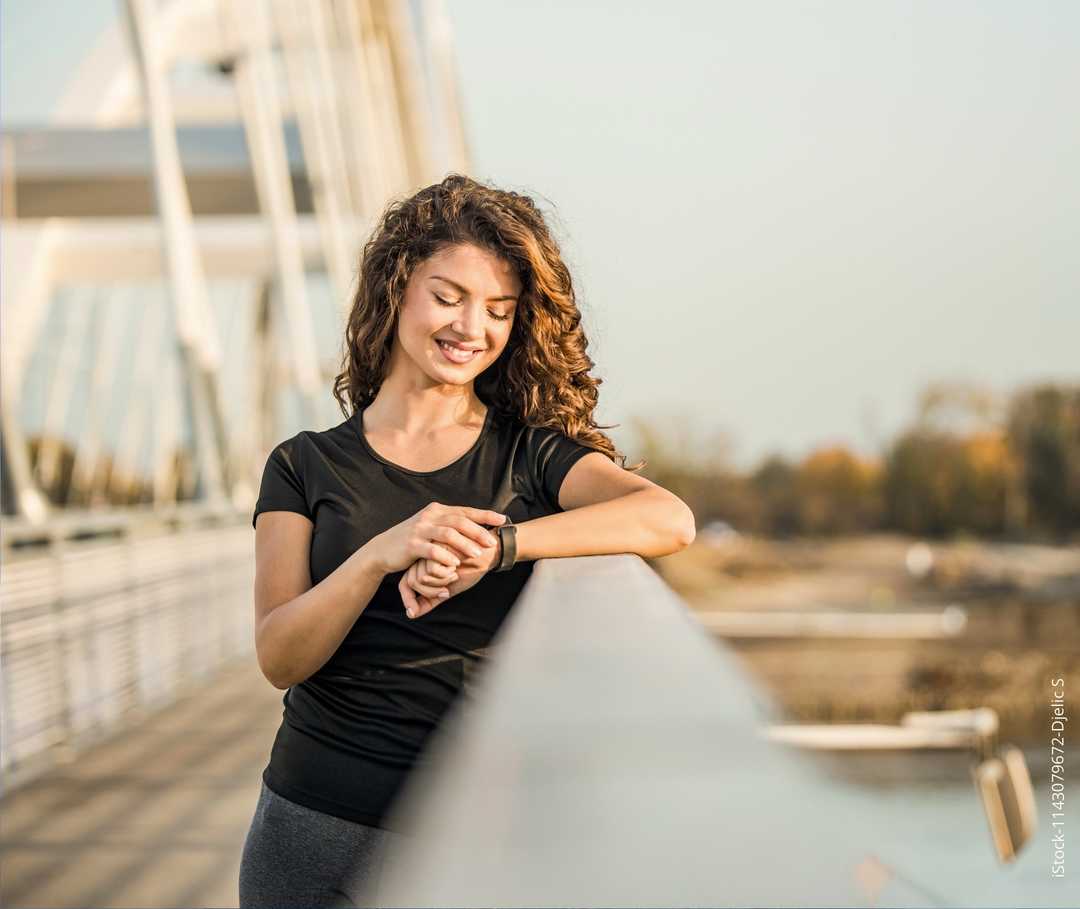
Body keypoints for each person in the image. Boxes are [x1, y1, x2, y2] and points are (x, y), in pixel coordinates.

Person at [238, 174, 696, 907]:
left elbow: (668, 519)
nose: (470, 327)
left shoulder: (530, 457)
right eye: (448, 297)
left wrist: (504, 545)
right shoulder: (303, 464)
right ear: (396, 290)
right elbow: (279, 655)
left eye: (498, 310)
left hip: (471, 838)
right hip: (311, 826)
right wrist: (379, 553)